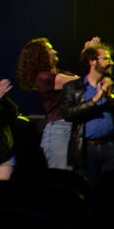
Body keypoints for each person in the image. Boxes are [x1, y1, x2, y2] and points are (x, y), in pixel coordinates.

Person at [16, 36, 98, 169]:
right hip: (60, 130)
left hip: (69, 129)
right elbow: (82, 82)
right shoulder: (45, 78)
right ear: (40, 55)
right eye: (50, 49)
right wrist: (88, 56)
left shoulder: (59, 74)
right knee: (63, 176)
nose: (55, 52)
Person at [60, 42, 114, 180]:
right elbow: (68, 114)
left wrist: (110, 97)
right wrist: (95, 99)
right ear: (92, 62)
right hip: (86, 149)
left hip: (112, 147)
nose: (111, 62)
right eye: (106, 59)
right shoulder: (74, 87)